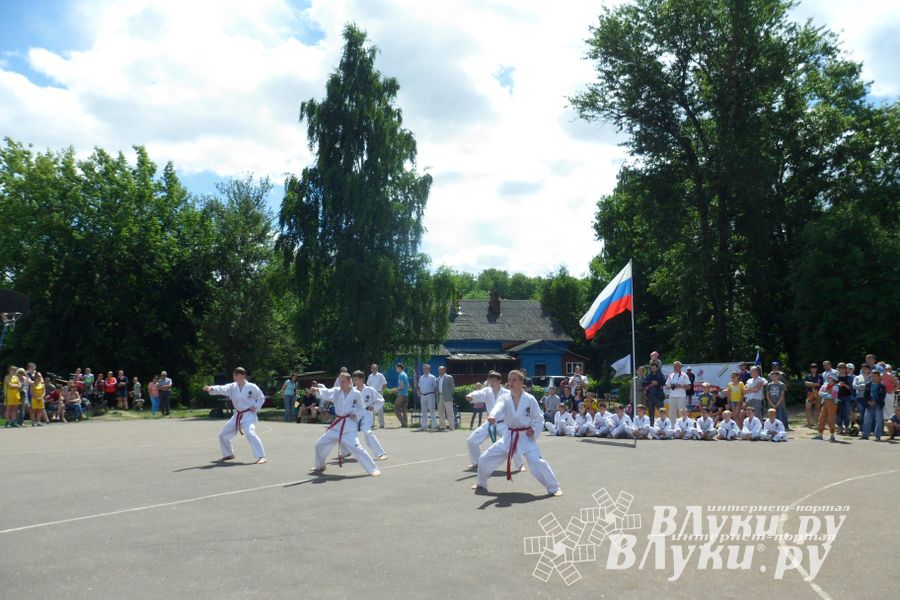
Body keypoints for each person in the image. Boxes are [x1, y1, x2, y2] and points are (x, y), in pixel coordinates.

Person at [473, 369, 562, 497]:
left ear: (521, 382)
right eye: (509, 380)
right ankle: (481, 483)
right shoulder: (504, 398)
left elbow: (539, 418)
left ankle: (554, 487)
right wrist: (492, 415)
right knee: (484, 458)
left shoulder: (529, 399)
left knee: (538, 462)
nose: (511, 382)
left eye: (514, 380)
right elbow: (498, 407)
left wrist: (534, 430)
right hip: (509, 435)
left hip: (526, 436)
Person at [309, 372, 380, 476]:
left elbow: (362, 407)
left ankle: (372, 469)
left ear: (349, 381)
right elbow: (327, 392)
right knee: (319, 445)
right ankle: (320, 465)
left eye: (343, 382)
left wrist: (356, 414)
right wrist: (317, 390)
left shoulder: (356, 393)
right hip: (337, 424)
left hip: (349, 425)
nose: (341, 384)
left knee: (357, 448)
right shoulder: (336, 391)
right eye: (340, 382)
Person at [203, 367, 267, 464]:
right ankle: (228, 454)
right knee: (223, 435)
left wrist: (256, 406)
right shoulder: (233, 386)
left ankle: (262, 456)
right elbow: (222, 388)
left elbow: (261, 398)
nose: (234, 377)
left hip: (249, 415)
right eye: (234, 375)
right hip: (237, 415)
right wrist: (211, 388)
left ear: (242, 375)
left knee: (250, 433)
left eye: (236, 375)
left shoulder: (252, 387)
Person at [465, 372, 522, 471]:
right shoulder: (487, 391)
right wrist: (471, 396)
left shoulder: (507, 393)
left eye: (494, 380)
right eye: (490, 380)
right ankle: (476, 462)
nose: (491, 382)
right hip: (490, 423)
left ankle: (519, 465)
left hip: (504, 423)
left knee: (512, 440)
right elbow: (479, 393)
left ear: (499, 381)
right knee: (471, 440)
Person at [352, 370, 388, 460]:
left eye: (356, 379)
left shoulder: (370, 390)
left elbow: (381, 400)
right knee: (347, 431)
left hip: (367, 413)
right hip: (356, 414)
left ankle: (380, 453)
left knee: (367, 432)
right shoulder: (352, 391)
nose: (354, 382)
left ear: (361, 379)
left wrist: (374, 407)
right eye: (354, 380)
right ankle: (345, 451)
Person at [861, 370, 886, 441]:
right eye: (872, 376)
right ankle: (865, 435)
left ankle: (878, 435)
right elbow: (865, 395)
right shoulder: (868, 385)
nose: (873, 377)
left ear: (878, 377)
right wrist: (868, 401)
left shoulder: (882, 386)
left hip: (878, 404)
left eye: (875, 376)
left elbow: (882, 396)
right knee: (867, 419)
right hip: (869, 404)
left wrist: (875, 401)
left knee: (878, 420)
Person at [814, 373, 839, 442]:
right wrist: (827, 395)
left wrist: (824, 395)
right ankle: (820, 434)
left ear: (834, 379)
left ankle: (832, 435)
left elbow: (833, 396)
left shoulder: (836, 387)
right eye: (829, 377)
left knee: (831, 419)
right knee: (821, 418)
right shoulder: (824, 385)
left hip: (832, 404)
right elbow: (819, 393)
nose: (829, 378)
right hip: (824, 403)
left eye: (831, 377)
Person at [416, 364, 438, 431]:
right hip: (422, 395)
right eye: (424, 368)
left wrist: (434, 395)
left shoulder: (432, 377)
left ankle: (433, 426)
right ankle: (424, 426)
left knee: (432, 410)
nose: (425, 370)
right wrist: (419, 392)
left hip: (430, 395)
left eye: (427, 368)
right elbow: (419, 386)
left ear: (429, 369)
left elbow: (435, 387)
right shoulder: (421, 377)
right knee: (424, 411)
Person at [366, 364, 388, 429]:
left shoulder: (380, 375)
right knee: (371, 408)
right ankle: (372, 424)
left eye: (375, 368)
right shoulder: (370, 376)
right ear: (371, 369)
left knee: (380, 408)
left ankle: (382, 424)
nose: (373, 369)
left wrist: (381, 391)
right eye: (372, 368)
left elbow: (385, 384)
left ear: (377, 369)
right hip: (372, 393)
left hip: (379, 392)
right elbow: (368, 385)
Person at [435, 366, 456, 431]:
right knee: (440, 412)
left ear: (444, 370)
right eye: (439, 370)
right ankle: (442, 426)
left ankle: (452, 427)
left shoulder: (449, 377)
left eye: (441, 370)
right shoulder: (437, 379)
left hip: (447, 397)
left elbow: (452, 388)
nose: (440, 371)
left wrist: (449, 395)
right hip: (440, 396)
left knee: (449, 412)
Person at [835, 363, 853, 435]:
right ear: (838, 369)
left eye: (843, 368)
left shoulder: (849, 378)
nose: (841, 369)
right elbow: (832, 387)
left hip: (847, 397)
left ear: (845, 369)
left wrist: (844, 385)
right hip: (837, 397)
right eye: (840, 368)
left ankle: (846, 427)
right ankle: (839, 427)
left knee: (846, 413)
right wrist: (837, 385)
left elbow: (851, 388)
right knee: (838, 413)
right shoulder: (835, 378)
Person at [804, 363, 823, 428]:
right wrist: (813, 384)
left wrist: (811, 384)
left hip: (817, 393)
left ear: (816, 369)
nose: (813, 369)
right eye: (812, 368)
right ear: (810, 369)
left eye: (814, 368)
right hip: (810, 393)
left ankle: (817, 423)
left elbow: (820, 384)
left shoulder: (820, 376)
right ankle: (808, 423)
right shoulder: (807, 376)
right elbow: (805, 383)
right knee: (807, 408)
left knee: (817, 408)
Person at [853, 364, 870, 433]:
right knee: (862, 412)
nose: (864, 370)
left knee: (868, 413)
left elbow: (871, 386)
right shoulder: (857, 377)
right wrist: (863, 387)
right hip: (859, 397)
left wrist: (861, 387)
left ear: (868, 369)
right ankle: (862, 428)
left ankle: (868, 428)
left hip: (869, 398)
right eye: (863, 368)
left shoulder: (871, 377)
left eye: (866, 368)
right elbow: (854, 386)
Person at [393, 363, 410, 428]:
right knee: (404, 409)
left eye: (396, 368)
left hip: (401, 395)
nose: (396, 369)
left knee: (396, 409)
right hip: (406, 394)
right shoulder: (405, 374)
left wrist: (395, 390)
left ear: (399, 368)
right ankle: (405, 423)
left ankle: (403, 423)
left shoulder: (401, 375)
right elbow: (408, 386)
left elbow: (401, 387)